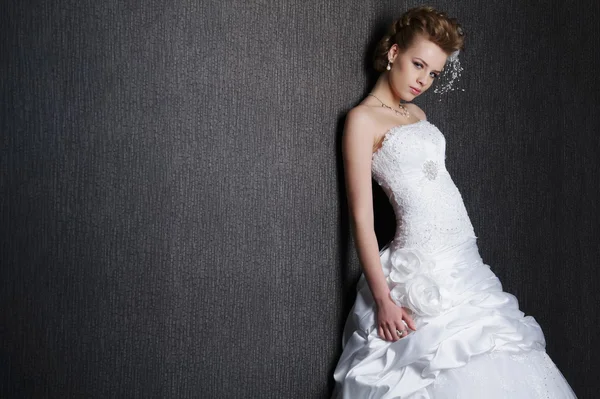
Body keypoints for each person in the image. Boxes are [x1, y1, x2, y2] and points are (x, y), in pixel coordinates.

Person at [332, 5, 577, 398]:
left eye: (433, 73)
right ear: (393, 52)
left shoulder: (417, 113)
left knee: (495, 357)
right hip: (420, 267)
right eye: (418, 64)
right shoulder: (362, 120)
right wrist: (383, 298)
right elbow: (361, 217)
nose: (423, 80)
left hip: (463, 261)